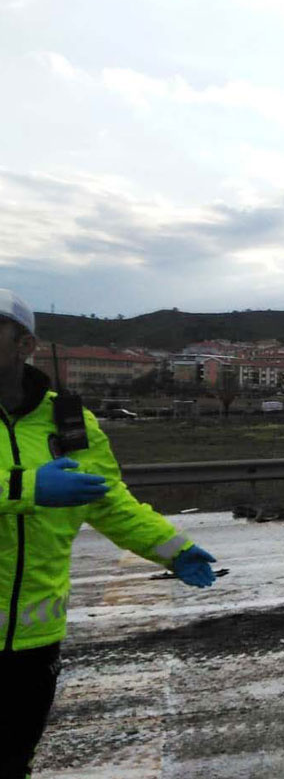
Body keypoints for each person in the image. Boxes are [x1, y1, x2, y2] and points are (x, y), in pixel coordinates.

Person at [0, 289, 218, 779]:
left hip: (34, 638)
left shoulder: (67, 420)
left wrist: (172, 548)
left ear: (25, 345)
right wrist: (27, 486)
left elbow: (108, 501)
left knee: (14, 760)